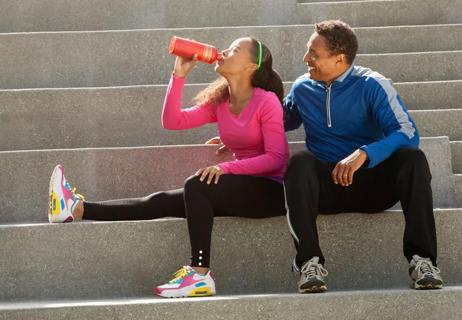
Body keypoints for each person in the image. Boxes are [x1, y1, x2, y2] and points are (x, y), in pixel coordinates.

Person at [48, 37, 289, 298]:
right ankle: (74, 208)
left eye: (234, 50)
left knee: (196, 186)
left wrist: (228, 168)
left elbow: (277, 158)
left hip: (270, 191)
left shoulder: (266, 101)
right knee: (163, 200)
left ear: (251, 66)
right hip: (239, 188)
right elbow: (173, 121)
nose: (224, 51)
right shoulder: (221, 102)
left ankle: (199, 274)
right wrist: (179, 75)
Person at [282, 20, 443, 293]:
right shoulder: (302, 87)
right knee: (299, 162)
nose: (305, 59)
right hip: (325, 191)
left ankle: (422, 260)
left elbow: (407, 131)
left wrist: (365, 153)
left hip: (372, 187)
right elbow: (276, 121)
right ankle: (309, 263)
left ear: (339, 58)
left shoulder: (372, 84)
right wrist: (234, 133)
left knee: (413, 158)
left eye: (313, 53)